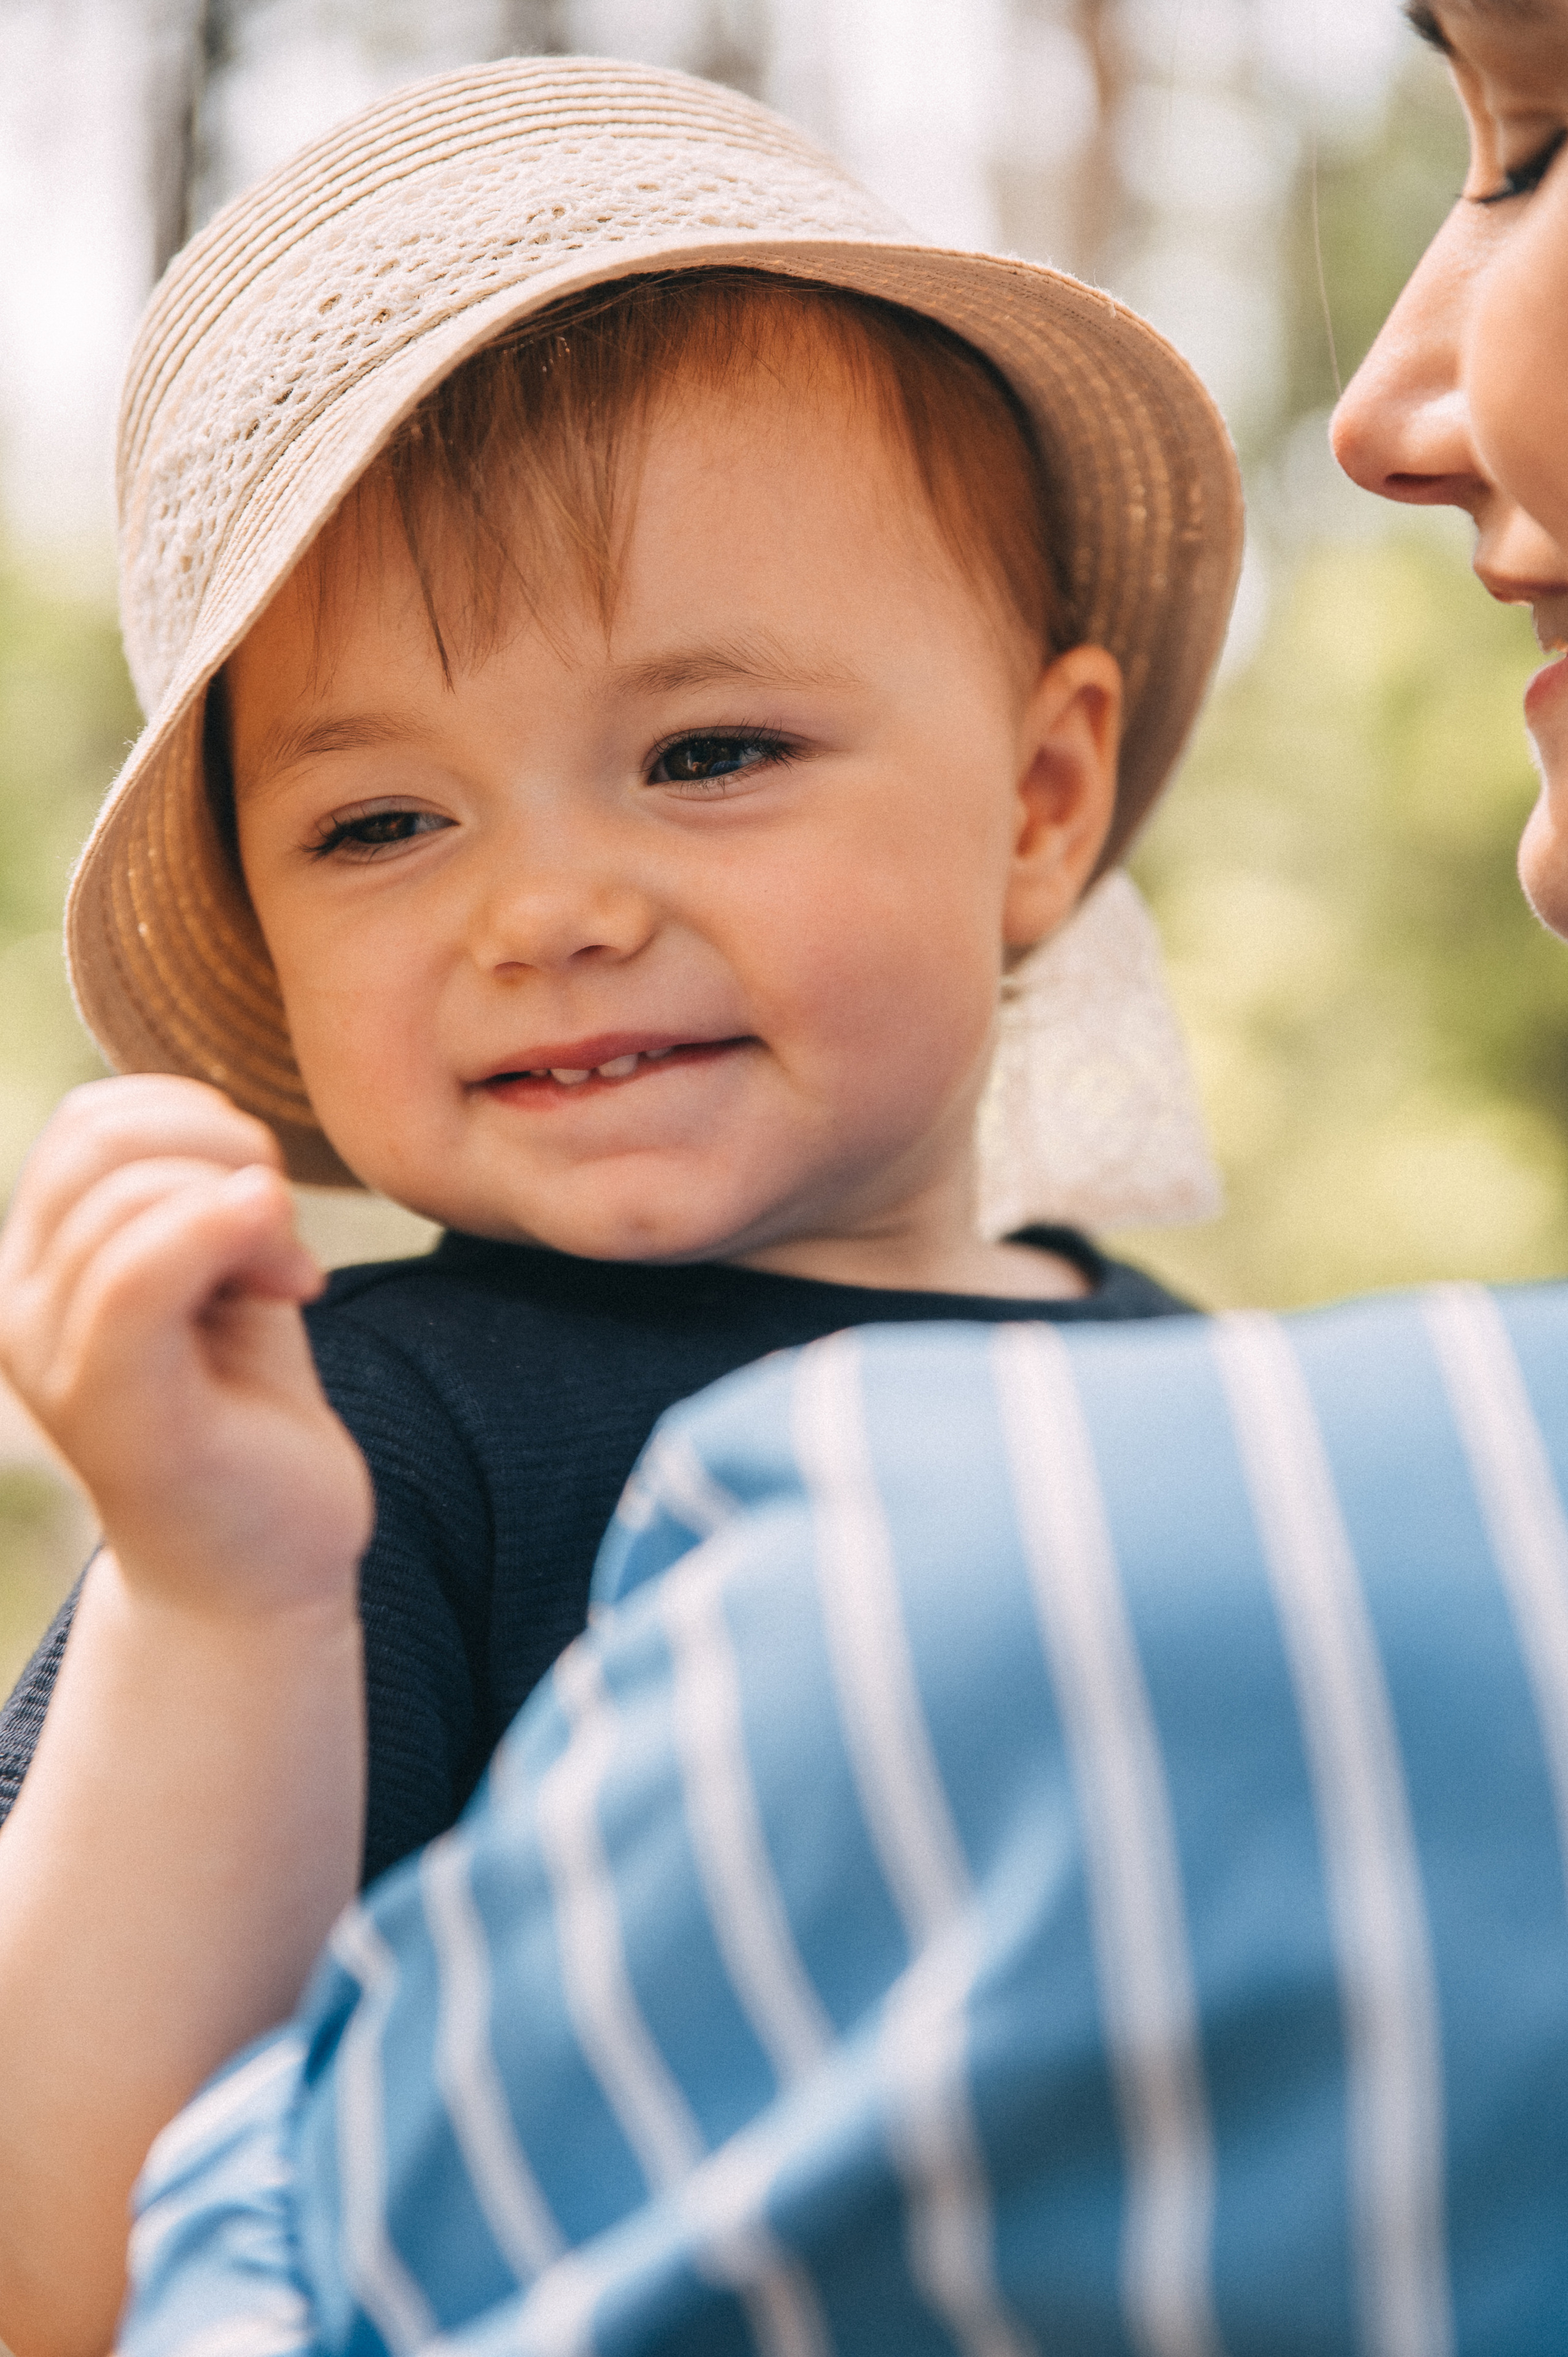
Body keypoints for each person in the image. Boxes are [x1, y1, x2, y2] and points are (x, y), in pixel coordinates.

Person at [110, 1, 1568, 2350]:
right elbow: (81, 2246)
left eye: (707, 750)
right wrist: (211, 1609)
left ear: (1037, 803)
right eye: (379, 821)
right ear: (267, 937)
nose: (546, 908)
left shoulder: (1193, 1430)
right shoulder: (351, 1468)